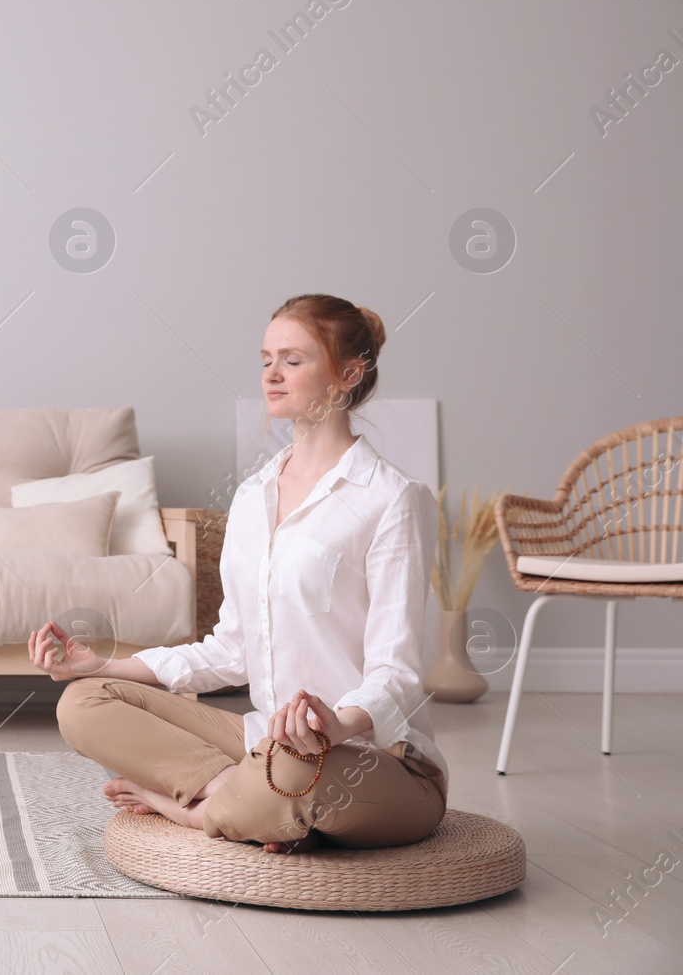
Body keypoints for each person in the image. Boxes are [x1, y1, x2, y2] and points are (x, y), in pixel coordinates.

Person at [32, 294, 447, 853]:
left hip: (372, 759)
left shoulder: (393, 498)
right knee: (84, 701)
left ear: (348, 373)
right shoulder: (253, 496)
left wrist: (335, 725)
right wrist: (104, 663)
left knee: (295, 770)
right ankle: (233, 798)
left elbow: (397, 675)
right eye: (266, 359)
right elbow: (231, 649)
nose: (271, 375)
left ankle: (183, 808)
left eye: (293, 360)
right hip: (263, 746)